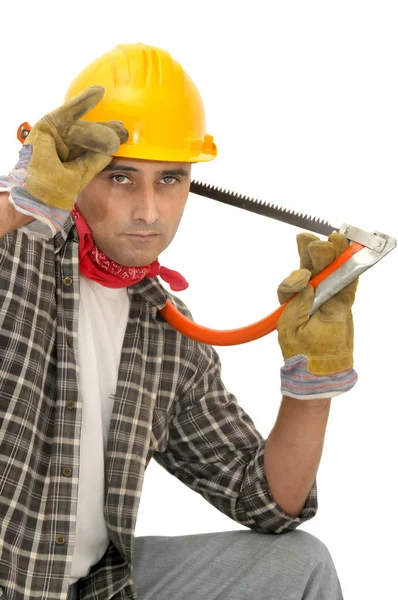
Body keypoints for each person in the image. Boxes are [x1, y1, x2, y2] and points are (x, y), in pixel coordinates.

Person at [0, 43, 357, 600]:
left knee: (299, 565)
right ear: (75, 168)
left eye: (169, 178)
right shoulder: (14, 252)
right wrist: (16, 205)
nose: (148, 210)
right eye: (121, 178)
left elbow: (268, 501)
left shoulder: (166, 332)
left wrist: (312, 382)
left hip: (87, 587)